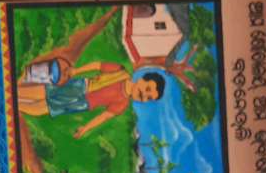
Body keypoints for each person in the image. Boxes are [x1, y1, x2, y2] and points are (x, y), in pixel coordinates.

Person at [17, 32, 166, 139]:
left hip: (82, 104)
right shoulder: (121, 72)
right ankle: (14, 92)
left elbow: (103, 117)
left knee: (44, 108)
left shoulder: (123, 104)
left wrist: (85, 128)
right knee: (44, 93)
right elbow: (97, 65)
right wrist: (76, 71)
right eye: (147, 89)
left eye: (148, 98)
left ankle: (13, 105)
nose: (144, 95)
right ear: (141, 80)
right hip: (81, 87)